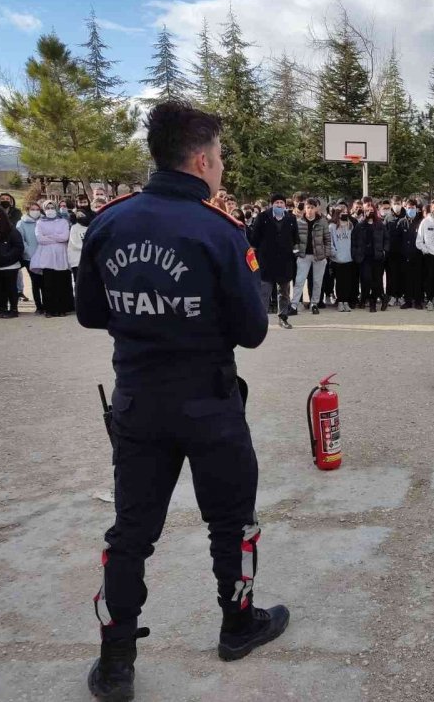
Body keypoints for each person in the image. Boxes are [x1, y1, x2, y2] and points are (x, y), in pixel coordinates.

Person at [75, 101, 285, 701]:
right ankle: (237, 624)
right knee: (233, 523)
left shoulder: (109, 223)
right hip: (209, 405)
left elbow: (91, 313)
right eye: (218, 159)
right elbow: (252, 330)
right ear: (200, 160)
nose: (220, 169)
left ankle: (116, 664)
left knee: (131, 534)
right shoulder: (218, 230)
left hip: (138, 402)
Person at [249, 194, 298, 328]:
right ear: (272, 204)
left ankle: (283, 317)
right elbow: (254, 239)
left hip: (285, 261)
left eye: (281, 203)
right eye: (276, 202)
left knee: (284, 292)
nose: (279, 205)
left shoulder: (291, 218)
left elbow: (295, 239)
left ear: (285, 205)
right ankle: (261, 320)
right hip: (266, 261)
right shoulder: (262, 217)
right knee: (264, 292)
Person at [31, 200, 74, 318]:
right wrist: (57, 237)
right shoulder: (40, 222)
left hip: (61, 255)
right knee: (48, 284)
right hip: (46, 256)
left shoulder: (63, 221)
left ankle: (61, 309)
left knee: (61, 283)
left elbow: (65, 237)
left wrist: (49, 236)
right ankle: (49, 309)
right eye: (47, 208)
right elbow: (40, 239)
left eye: (52, 207)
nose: (50, 210)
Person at [292, 198, 332, 315]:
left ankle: (314, 303)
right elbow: (294, 240)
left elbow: (327, 239)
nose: (310, 210)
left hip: (319, 256)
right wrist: (296, 253)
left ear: (316, 209)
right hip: (303, 256)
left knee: (317, 281)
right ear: (305, 208)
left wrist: (326, 254)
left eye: (312, 207)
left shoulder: (322, 221)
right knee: (299, 281)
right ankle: (294, 304)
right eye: (308, 207)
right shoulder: (299, 221)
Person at [351, 198, 389, 312]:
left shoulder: (380, 224)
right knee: (367, 279)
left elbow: (386, 239)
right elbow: (354, 241)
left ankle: (374, 302)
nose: (369, 212)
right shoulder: (360, 225)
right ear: (364, 212)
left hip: (377, 257)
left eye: (371, 210)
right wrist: (355, 255)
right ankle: (381, 298)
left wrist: (384, 251)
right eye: (367, 210)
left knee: (377, 280)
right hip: (364, 258)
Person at [0, 207, 24, 318]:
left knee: (10, 288)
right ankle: (2, 308)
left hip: (10, 265)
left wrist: (7, 257)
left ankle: (13, 309)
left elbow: (18, 247)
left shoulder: (12, 230)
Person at [16, 201, 45, 314]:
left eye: (37, 209)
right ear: (27, 210)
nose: (35, 211)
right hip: (30, 257)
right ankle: (39, 306)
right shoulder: (21, 223)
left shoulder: (44, 220)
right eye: (32, 209)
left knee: (45, 282)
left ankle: (47, 304)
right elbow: (21, 241)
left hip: (45, 256)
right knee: (36, 282)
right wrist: (29, 253)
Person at [329, 205, 355, 312]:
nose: (344, 214)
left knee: (348, 281)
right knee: (339, 282)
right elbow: (330, 242)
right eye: (342, 212)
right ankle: (340, 301)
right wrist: (334, 253)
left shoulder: (350, 225)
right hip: (338, 259)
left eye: (346, 212)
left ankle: (346, 301)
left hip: (348, 258)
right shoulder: (332, 226)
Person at [384, 196, 408, 306]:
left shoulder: (406, 216)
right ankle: (392, 296)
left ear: (402, 203)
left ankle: (401, 295)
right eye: (395, 203)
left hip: (403, 252)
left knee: (403, 274)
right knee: (391, 275)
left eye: (398, 203)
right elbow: (384, 234)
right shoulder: (388, 217)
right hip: (391, 252)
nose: (397, 205)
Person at [401, 200, 425, 309]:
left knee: (418, 279)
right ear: (405, 208)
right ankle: (408, 301)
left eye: (413, 207)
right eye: (409, 207)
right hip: (405, 256)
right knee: (407, 279)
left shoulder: (421, 222)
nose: (411, 209)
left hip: (418, 255)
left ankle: (418, 301)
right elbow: (398, 240)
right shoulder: (401, 222)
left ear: (417, 208)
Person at [68, 207, 90, 285]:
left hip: (88, 260)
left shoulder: (89, 227)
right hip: (76, 260)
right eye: (78, 215)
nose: (81, 217)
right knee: (78, 282)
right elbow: (75, 243)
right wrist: (89, 248)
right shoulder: (74, 227)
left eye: (82, 214)